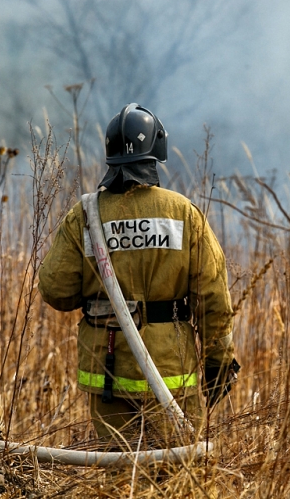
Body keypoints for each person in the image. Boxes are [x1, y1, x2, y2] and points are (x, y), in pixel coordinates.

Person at [38, 104, 238, 446]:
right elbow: (212, 297)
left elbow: (56, 290)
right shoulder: (183, 213)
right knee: (177, 464)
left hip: (108, 373)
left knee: (118, 464)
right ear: (156, 150)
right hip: (172, 372)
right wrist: (218, 363)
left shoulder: (84, 215)